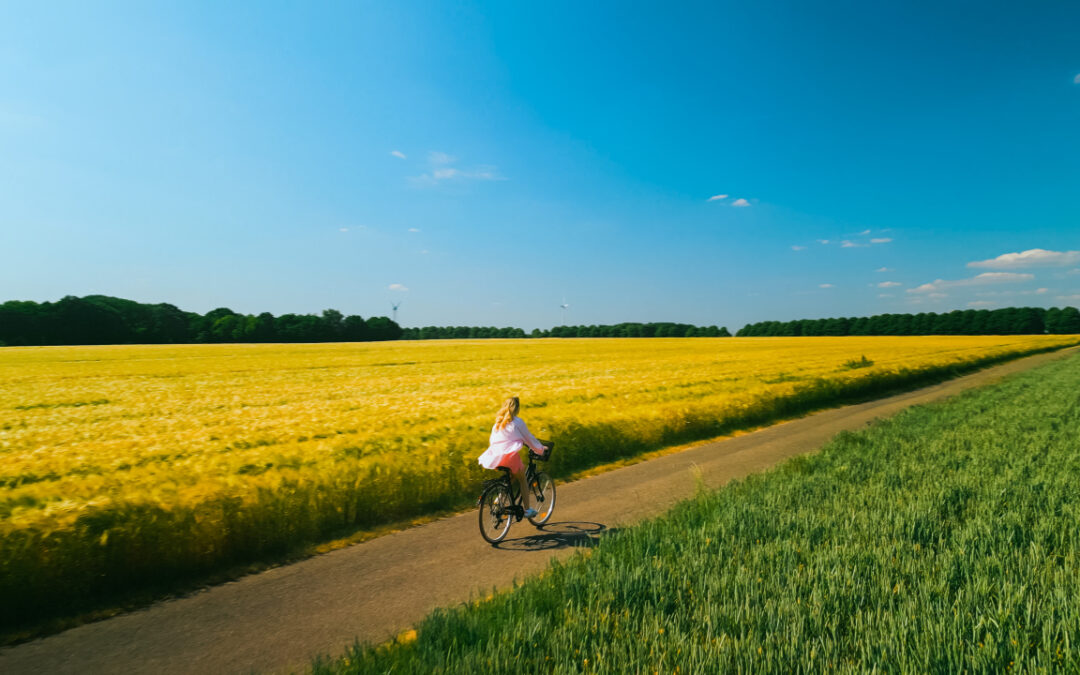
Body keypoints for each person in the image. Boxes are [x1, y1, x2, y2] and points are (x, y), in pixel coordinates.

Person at [478, 396, 548, 518]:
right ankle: (527, 510)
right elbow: (529, 438)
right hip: (510, 457)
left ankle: (498, 500)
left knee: (512, 476)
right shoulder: (518, 422)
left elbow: (493, 441)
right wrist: (540, 449)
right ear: (517, 408)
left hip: (495, 457)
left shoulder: (497, 424)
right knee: (523, 479)